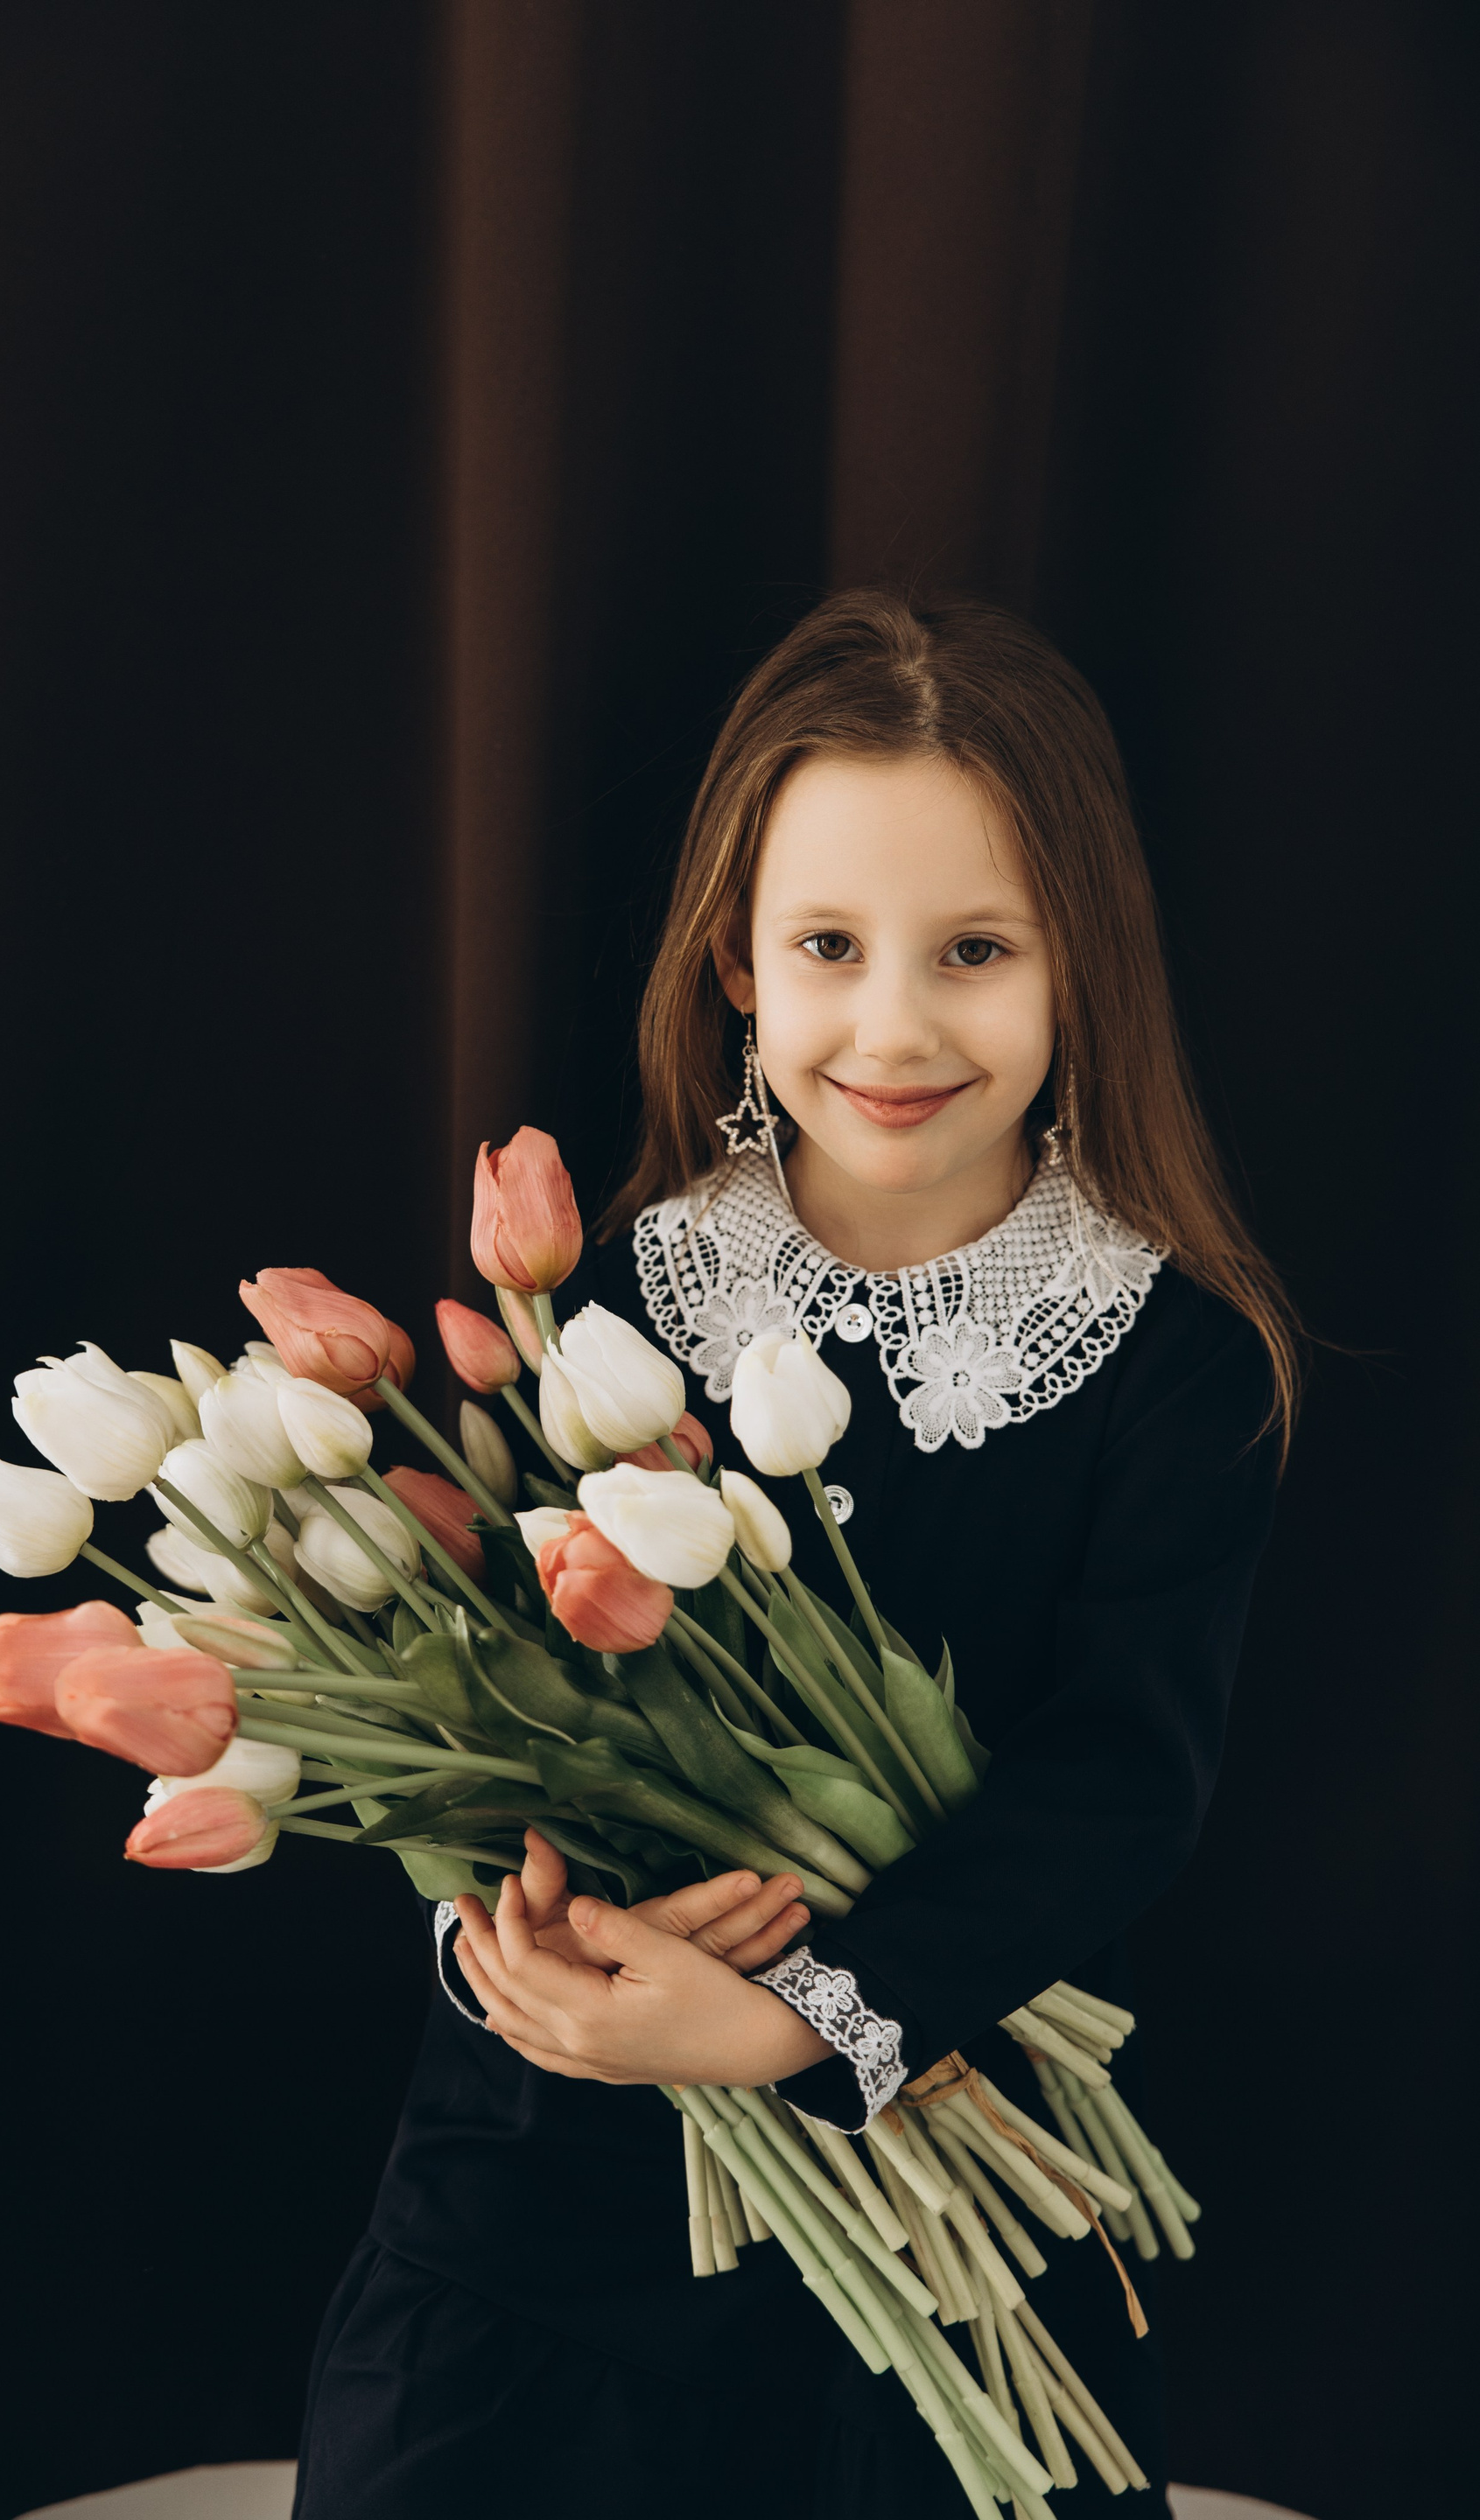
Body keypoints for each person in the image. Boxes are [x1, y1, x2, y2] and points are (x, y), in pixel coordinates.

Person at [291, 590, 1295, 2517]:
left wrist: (794, 2015)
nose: (895, 1025)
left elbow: (1119, 1781)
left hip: (946, 2190)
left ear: (1079, 968)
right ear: (737, 967)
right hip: (554, 2172)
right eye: (829, 945)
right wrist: (524, 1948)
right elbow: (484, 1699)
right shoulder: (608, 1301)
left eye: (976, 950)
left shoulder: (1174, 1361)